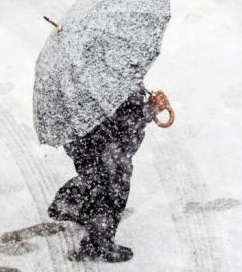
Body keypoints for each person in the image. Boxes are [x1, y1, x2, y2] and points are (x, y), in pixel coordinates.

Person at [48, 85, 171, 262]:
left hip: (83, 141)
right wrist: (150, 109)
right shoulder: (115, 75)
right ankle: (98, 243)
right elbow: (124, 121)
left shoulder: (87, 74)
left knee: (95, 176)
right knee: (114, 189)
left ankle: (69, 202)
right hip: (106, 145)